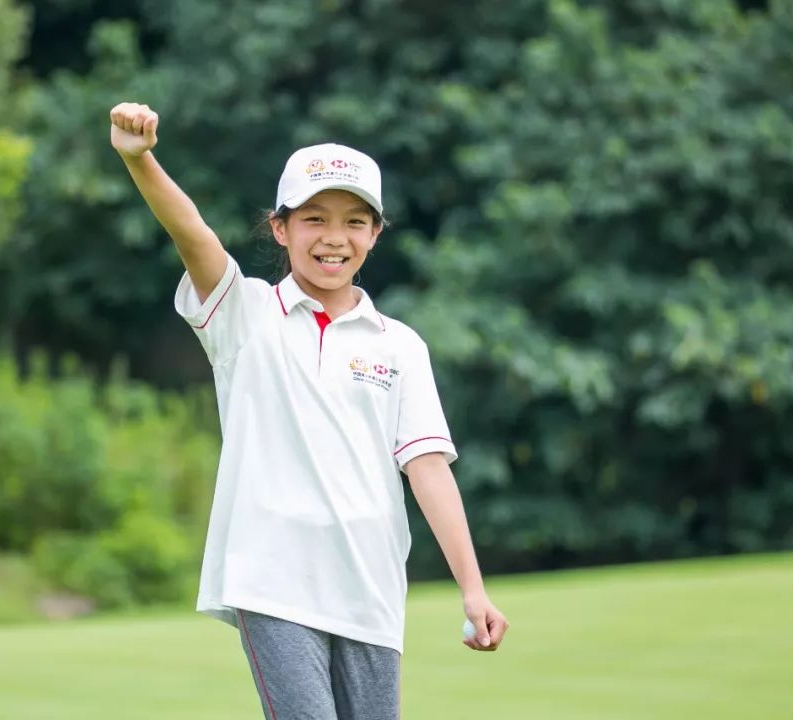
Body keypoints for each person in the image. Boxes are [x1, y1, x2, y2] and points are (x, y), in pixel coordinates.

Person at [110, 102, 509, 719]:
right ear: (280, 227)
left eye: (355, 221)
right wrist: (140, 160)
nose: (334, 237)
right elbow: (192, 233)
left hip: (370, 589)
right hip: (272, 580)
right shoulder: (244, 312)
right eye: (314, 218)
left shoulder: (398, 345)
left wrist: (473, 588)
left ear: (376, 234)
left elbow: (428, 467)